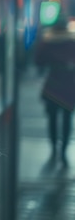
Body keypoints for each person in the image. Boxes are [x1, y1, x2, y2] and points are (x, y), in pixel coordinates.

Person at [35, 14, 75, 165]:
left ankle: (54, 150)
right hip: (69, 85)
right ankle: (63, 151)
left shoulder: (48, 42)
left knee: (52, 119)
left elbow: (39, 61)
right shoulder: (71, 42)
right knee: (66, 120)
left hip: (53, 84)